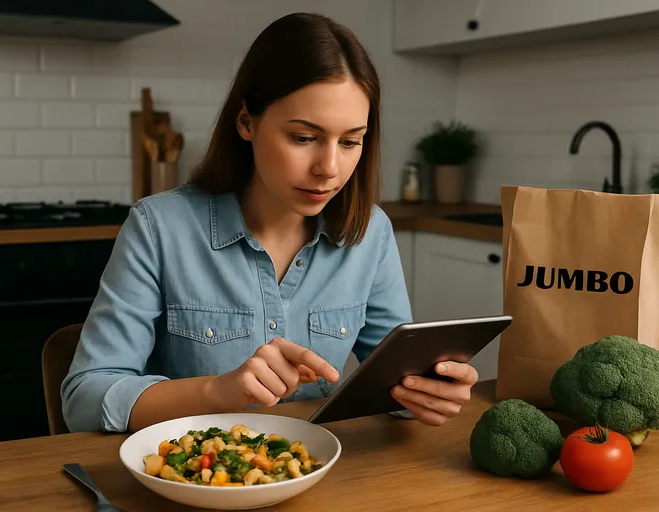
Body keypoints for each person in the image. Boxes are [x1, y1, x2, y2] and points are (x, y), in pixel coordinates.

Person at [61, 12, 478, 434]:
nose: (329, 168)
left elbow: (395, 380)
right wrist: (217, 392)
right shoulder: (158, 227)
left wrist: (427, 393)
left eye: (350, 141)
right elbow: (83, 399)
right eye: (303, 138)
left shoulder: (371, 231)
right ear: (247, 122)